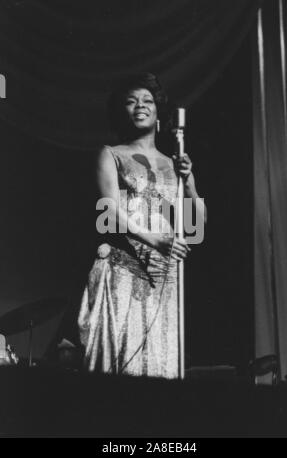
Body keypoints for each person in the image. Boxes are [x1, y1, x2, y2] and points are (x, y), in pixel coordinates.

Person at [78, 73, 205, 378]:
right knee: (125, 367)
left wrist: (189, 184)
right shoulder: (111, 154)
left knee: (160, 365)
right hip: (124, 270)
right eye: (131, 100)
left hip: (164, 278)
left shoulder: (176, 163)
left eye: (147, 100)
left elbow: (195, 227)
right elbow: (107, 212)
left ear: (159, 114)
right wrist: (156, 240)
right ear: (121, 111)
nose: (140, 105)